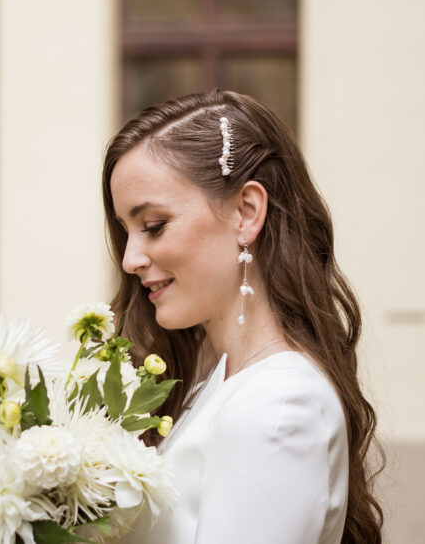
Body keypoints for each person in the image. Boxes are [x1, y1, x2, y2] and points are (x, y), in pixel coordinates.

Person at [102, 90, 384, 543]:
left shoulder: (280, 406)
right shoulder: (212, 385)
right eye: (126, 232)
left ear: (246, 212)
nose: (131, 259)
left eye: (153, 225)